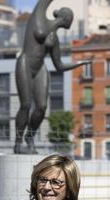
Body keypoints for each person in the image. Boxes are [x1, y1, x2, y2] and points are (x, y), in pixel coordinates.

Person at [14, 0, 91, 154]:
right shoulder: (39, 18)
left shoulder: (53, 39)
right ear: (66, 18)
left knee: (41, 108)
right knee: (26, 105)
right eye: (71, 19)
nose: (71, 22)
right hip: (25, 64)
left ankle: (30, 137)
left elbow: (59, 66)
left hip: (40, 68)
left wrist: (80, 63)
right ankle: (18, 142)